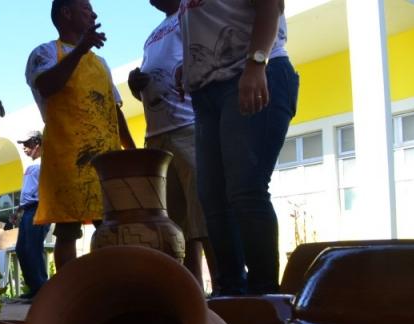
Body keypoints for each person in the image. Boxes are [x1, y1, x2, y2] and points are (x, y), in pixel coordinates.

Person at [178, 0, 299, 295]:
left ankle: (264, 297)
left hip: (252, 74)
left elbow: (270, 6)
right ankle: (231, 294)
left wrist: (256, 63)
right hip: (208, 93)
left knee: (245, 190)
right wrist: (192, 66)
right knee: (212, 198)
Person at [25, 0, 135, 270]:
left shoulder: (101, 63)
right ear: (66, 13)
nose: (93, 14)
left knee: (112, 227)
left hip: (106, 159)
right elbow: (47, 85)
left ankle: (113, 283)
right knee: (67, 229)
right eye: (86, 9)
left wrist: (132, 151)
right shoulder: (44, 52)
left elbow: (114, 109)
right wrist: (80, 50)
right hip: (68, 158)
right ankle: (71, 288)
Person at [127, 0, 216, 290]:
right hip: (158, 136)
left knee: (205, 213)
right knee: (177, 225)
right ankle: (193, 293)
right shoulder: (151, 36)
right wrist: (136, 87)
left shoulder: (192, 13)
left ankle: (225, 289)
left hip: (189, 126)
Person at [13, 130, 50, 299]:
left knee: (33, 248)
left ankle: (41, 289)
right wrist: (18, 210)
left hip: (38, 208)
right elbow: (27, 191)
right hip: (27, 210)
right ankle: (34, 287)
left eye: (27, 144)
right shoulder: (31, 165)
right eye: (23, 144)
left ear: (37, 143)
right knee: (22, 249)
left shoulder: (45, 162)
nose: (24, 147)